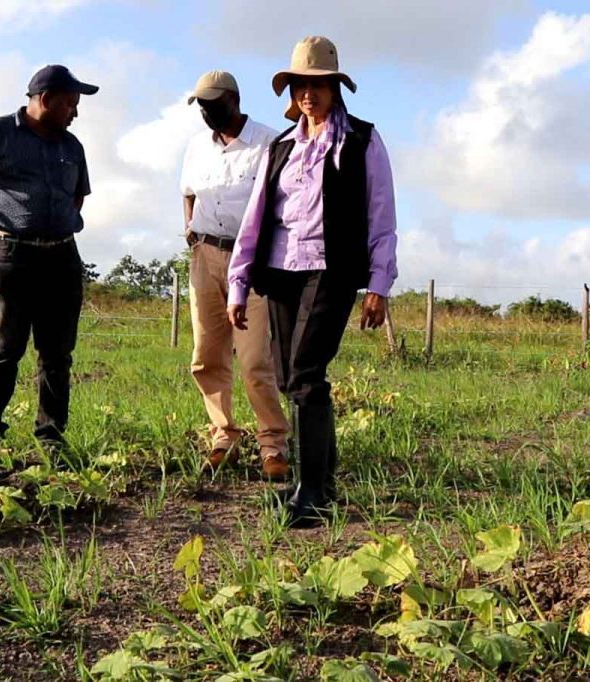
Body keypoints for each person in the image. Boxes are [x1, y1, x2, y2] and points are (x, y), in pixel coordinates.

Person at [227, 36, 397, 527]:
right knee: (288, 377)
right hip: (280, 271)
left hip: (332, 269)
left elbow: (382, 216)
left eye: (319, 84)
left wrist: (378, 284)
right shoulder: (280, 147)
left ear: (335, 88)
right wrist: (239, 282)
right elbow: (256, 218)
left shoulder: (361, 140)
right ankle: (319, 480)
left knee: (304, 372)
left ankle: (314, 491)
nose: (309, 94)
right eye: (301, 84)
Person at [0, 64, 98, 454]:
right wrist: (1, 217)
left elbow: (76, 197)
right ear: (44, 100)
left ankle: (51, 438)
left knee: (57, 352)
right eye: (69, 104)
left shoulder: (71, 146)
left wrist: (54, 224)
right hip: (11, 253)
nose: (75, 112)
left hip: (62, 254)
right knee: (4, 345)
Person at [179, 70, 290, 478]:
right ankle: (223, 433)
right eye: (201, 105)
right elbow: (188, 192)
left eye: (213, 103)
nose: (206, 112)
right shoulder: (196, 147)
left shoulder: (269, 142)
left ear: (234, 99)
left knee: (255, 358)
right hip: (205, 256)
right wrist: (191, 233)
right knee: (206, 355)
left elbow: (283, 203)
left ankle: (273, 442)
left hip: (253, 262)